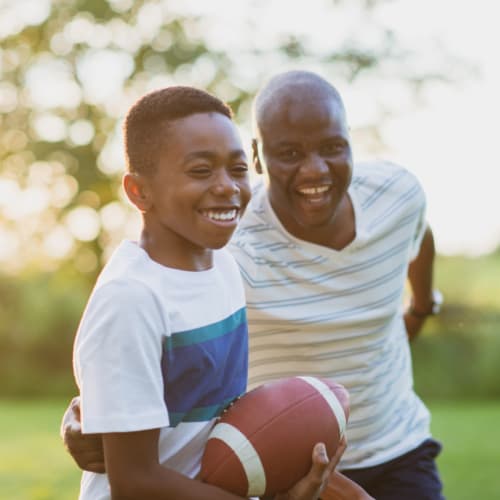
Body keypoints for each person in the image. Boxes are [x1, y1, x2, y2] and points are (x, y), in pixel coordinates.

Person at [63, 71, 443, 499]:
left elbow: (418, 233)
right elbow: (134, 470)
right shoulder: (202, 264)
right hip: (244, 471)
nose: (226, 185)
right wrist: (85, 415)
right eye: (201, 170)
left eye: (235, 168)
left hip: (382, 447)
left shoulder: (221, 265)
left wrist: (421, 306)